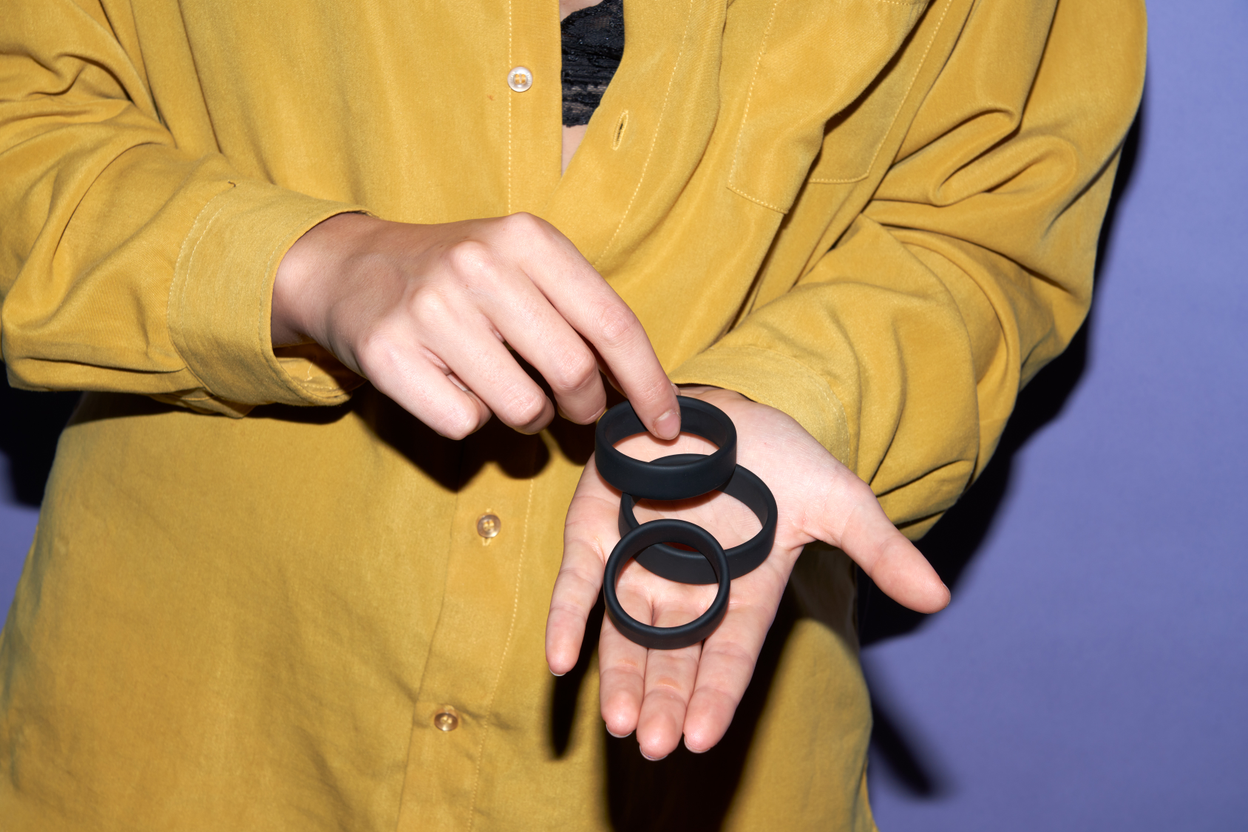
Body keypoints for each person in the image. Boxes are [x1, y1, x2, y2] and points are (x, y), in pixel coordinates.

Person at [0, 0, 1145, 828]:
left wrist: (798, 389)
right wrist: (304, 266)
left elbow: (987, 227)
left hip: (706, 774)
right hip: (163, 751)